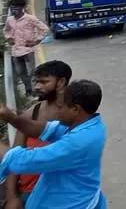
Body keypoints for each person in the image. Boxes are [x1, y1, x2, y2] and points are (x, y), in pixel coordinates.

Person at [0, 80, 107, 209]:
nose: (56, 111)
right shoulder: (90, 125)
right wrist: (10, 117)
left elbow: (24, 160)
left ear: (75, 109)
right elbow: (45, 129)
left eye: (61, 107)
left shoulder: (78, 143)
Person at [4, 60, 73, 209]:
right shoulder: (31, 114)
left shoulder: (77, 117)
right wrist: (12, 197)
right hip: (29, 194)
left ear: (61, 82)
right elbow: (14, 156)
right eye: (36, 82)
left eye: (44, 82)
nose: (37, 87)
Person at [3, 0, 49, 97]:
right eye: (12, 8)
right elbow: (6, 30)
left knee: (31, 72)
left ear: (22, 7)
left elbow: (45, 29)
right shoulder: (10, 20)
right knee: (20, 72)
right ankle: (28, 88)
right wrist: (9, 38)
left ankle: (34, 91)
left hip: (28, 50)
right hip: (15, 51)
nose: (13, 10)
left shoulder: (30, 19)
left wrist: (36, 41)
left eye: (16, 8)